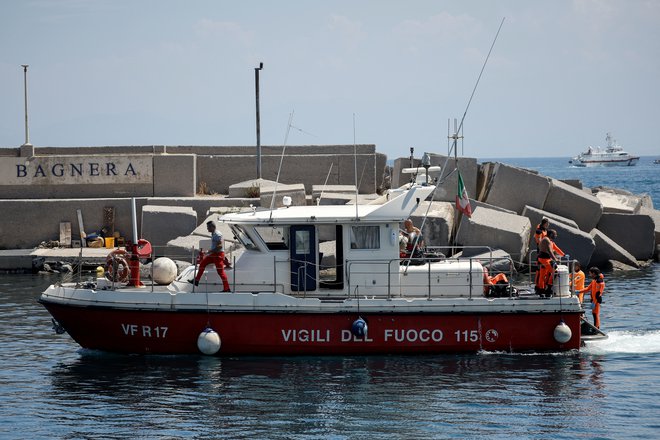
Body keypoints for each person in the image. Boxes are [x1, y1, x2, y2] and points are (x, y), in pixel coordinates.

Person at [192, 221, 231, 291]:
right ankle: (196, 281)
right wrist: (209, 252)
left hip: (218, 255)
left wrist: (209, 251)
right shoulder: (213, 234)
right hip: (214, 254)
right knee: (203, 263)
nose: (207, 229)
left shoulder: (217, 234)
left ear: (212, 227)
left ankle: (227, 288)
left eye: (208, 227)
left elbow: (219, 246)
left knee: (220, 272)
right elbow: (215, 246)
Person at [535, 229, 561, 296]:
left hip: (542, 259)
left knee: (542, 274)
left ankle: (541, 289)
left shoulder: (545, 239)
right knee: (554, 272)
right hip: (544, 259)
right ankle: (548, 289)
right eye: (555, 234)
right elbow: (550, 250)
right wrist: (555, 258)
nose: (556, 236)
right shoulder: (547, 240)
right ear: (551, 234)